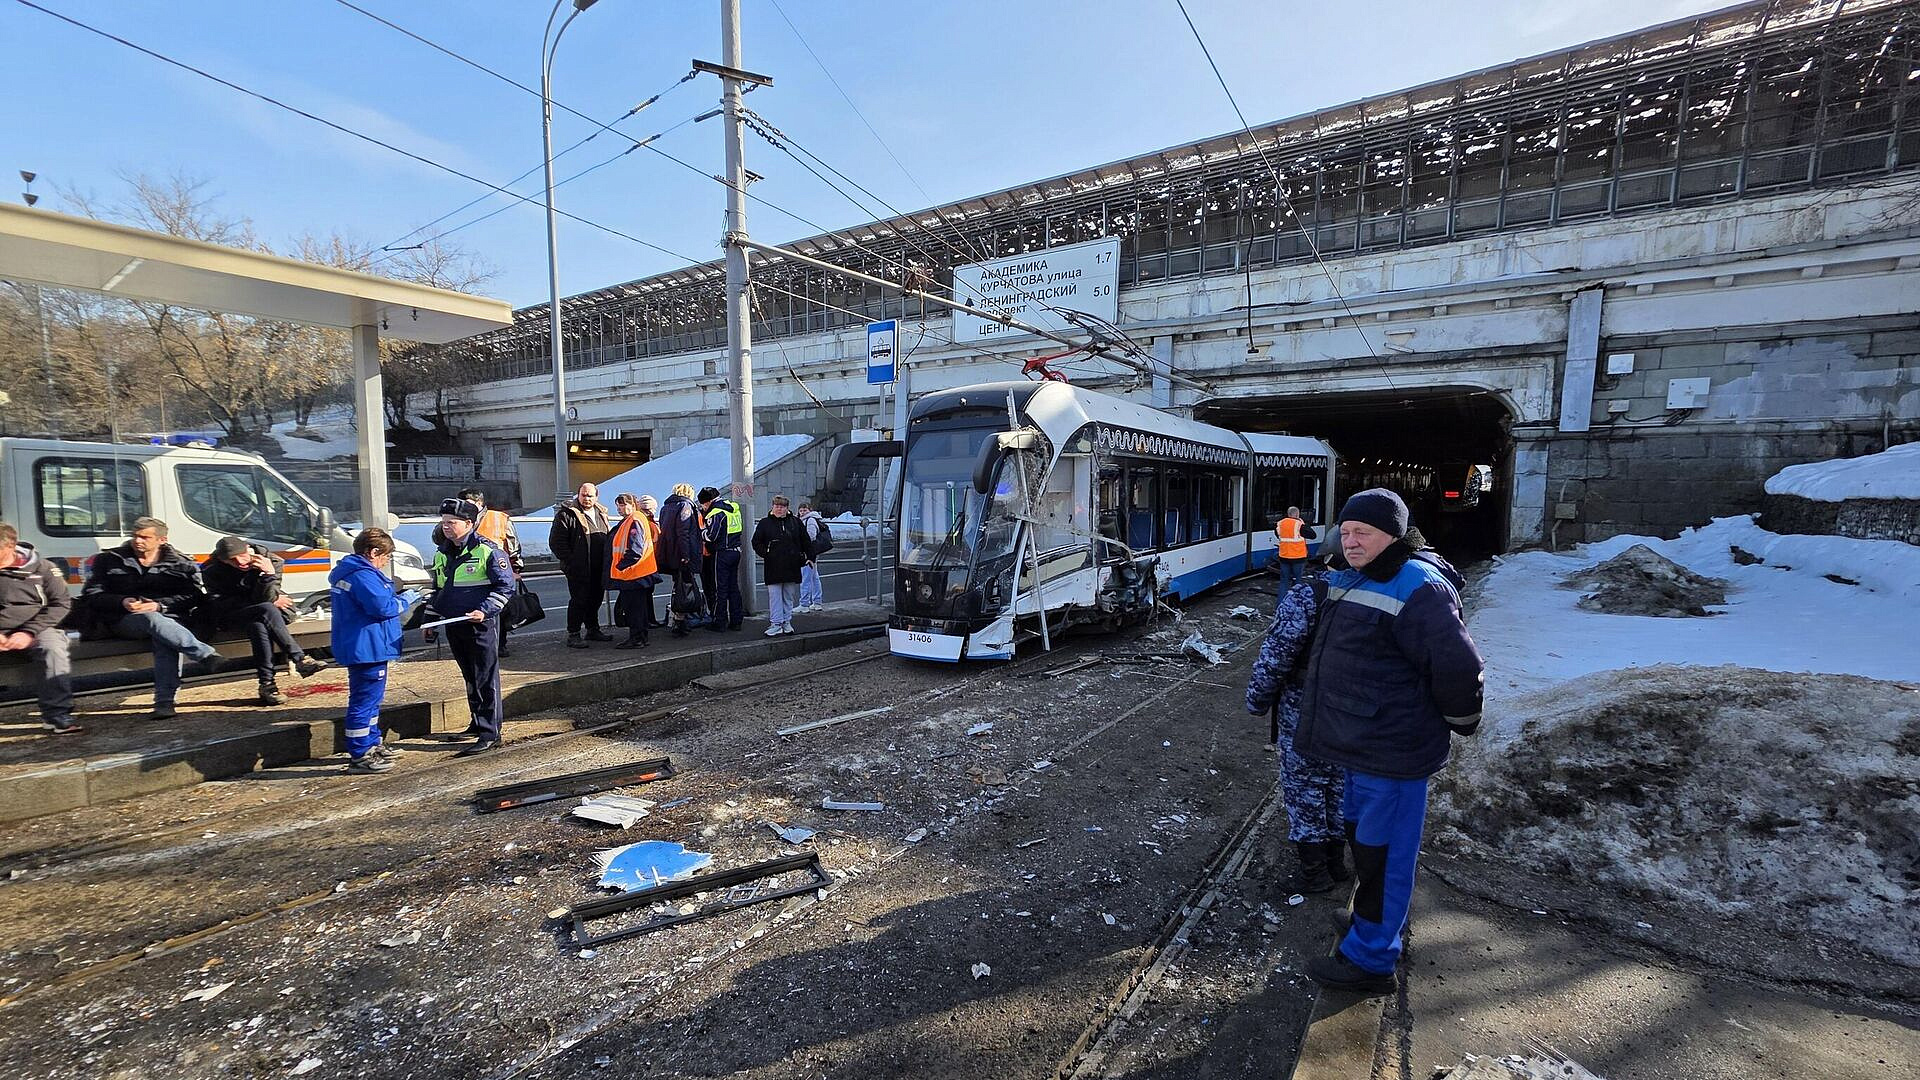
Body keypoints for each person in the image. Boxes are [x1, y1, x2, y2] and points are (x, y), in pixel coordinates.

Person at [1293, 488, 1483, 995]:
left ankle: (1372, 960)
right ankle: (1368, 925)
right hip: (1363, 745)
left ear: (1393, 536)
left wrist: (1462, 719)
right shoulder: (1361, 575)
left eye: (1364, 533)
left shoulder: (1417, 585)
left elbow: (1458, 666)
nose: (1351, 541)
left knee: (1386, 855)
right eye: (1347, 532)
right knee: (1366, 845)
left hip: (1392, 752)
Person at [1246, 573, 1350, 895]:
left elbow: (1274, 659)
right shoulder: (1375, 594)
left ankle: (1314, 872)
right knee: (1338, 785)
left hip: (1307, 712)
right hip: (1353, 715)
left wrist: (1257, 700)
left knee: (1305, 788)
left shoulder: (1309, 595)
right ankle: (1336, 863)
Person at [80, 516, 221, 721]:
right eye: (135, 536)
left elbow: (194, 596)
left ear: (161, 540)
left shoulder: (180, 563)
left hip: (169, 619)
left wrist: (159, 605)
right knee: (151, 620)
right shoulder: (109, 560)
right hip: (123, 620)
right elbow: (91, 595)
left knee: (164, 638)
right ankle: (204, 654)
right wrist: (122, 601)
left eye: (145, 537)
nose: (138, 541)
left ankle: (164, 703)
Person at [430, 498, 516, 756]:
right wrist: (431, 620)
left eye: (451, 523)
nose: (445, 527)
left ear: (468, 523)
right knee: (470, 676)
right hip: (454, 624)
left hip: (481, 625)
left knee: (485, 677)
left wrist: (485, 610)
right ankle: (477, 723)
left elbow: (505, 587)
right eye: (443, 522)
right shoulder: (442, 553)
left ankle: (490, 733)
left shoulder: (488, 551)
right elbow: (439, 590)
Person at [329, 527, 417, 774]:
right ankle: (360, 753)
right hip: (367, 647)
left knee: (371, 700)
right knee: (364, 701)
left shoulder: (351, 572)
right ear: (373, 552)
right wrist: (408, 598)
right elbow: (383, 607)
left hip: (365, 645)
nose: (386, 561)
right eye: (385, 556)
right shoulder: (363, 575)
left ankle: (371, 742)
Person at [200, 535, 327, 705]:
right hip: (231, 615)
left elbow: (267, 597)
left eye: (242, 556)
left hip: (262, 615)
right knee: (265, 609)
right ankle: (300, 659)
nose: (240, 562)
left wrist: (268, 574)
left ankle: (267, 686)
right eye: (232, 560)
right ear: (223, 561)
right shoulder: (211, 569)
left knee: (258, 625)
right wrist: (268, 599)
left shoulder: (270, 561)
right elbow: (222, 603)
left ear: (248, 549)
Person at [0, 522, 79, 735]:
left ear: (11, 547)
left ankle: (57, 714)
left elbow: (61, 603)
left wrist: (28, 632)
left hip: (36, 625)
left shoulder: (41, 568)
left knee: (52, 648)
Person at [434, 488, 524, 658]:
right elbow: (439, 585)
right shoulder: (450, 527)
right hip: (463, 590)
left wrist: (516, 568)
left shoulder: (497, 518)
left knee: (498, 613)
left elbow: (512, 543)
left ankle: (501, 644)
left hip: (493, 569)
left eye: (469, 504)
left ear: (480, 503)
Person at [549, 482, 611, 648]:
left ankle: (592, 629)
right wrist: (572, 562)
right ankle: (574, 633)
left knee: (596, 599)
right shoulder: (566, 514)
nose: (586, 499)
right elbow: (556, 542)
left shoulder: (601, 512)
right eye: (583, 495)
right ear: (578, 495)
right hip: (579, 568)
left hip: (598, 567)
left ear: (596, 497)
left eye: (590, 495)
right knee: (579, 600)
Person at [751, 495, 811, 637]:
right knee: (775, 596)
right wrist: (766, 553)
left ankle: (786, 621)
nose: (779, 509)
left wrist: (809, 556)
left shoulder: (795, 522)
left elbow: (805, 541)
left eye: (782, 506)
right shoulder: (765, 523)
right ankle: (776, 623)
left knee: (788, 595)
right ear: (772, 507)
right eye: (777, 506)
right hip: (773, 565)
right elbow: (756, 541)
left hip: (792, 564)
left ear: (787, 508)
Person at [606, 493, 661, 649]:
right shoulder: (635, 518)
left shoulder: (634, 520)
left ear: (632, 504)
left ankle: (636, 639)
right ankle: (641, 637)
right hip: (639, 572)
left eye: (622, 505)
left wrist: (621, 565)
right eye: (617, 505)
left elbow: (635, 550)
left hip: (633, 573)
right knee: (640, 609)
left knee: (634, 609)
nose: (619, 508)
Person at [656, 483, 706, 638]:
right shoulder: (685, 506)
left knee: (678, 586)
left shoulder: (665, 508)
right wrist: (686, 555)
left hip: (669, 553)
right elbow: (683, 531)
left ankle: (679, 621)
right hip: (682, 553)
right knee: (685, 587)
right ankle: (680, 621)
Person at [698, 486, 745, 632]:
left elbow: (711, 536)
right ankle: (737, 620)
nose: (703, 507)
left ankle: (720, 621)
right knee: (733, 587)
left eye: (703, 504)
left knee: (720, 588)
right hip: (735, 550)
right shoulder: (733, 507)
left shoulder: (715, 513)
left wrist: (701, 532)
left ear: (708, 501)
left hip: (722, 553)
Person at [796, 501, 827, 612]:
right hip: (811, 552)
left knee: (806, 577)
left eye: (805, 510)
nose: (802, 512)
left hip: (807, 552)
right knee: (814, 577)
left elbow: (811, 536)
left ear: (810, 510)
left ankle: (804, 604)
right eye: (801, 510)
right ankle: (817, 602)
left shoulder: (810, 520)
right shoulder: (806, 520)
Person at [1274, 506, 1312, 595]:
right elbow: (1312, 535)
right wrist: (1304, 524)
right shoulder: (1299, 525)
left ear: (1288, 514)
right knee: (1298, 580)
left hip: (1284, 557)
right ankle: (1296, 604)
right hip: (1298, 557)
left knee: (1284, 581)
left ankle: (1280, 605)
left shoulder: (1280, 524)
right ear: (1297, 514)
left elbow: (1278, 535)